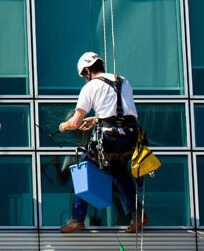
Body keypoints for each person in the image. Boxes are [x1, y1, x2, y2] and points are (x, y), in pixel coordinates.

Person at [58, 52, 142, 233]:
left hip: (110, 138)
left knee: (84, 166)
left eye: (83, 76)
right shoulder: (123, 81)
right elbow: (120, 112)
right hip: (130, 136)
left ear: (87, 70)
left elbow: (75, 122)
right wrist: (96, 119)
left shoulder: (90, 87)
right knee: (119, 171)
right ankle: (137, 215)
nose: (84, 79)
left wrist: (64, 126)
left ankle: (77, 218)